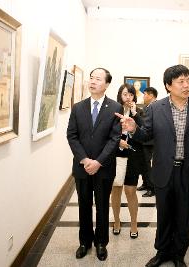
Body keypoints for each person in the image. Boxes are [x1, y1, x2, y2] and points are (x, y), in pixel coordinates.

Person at [116, 64, 189, 267]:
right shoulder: (155, 108)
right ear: (169, 85)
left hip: (188, 171)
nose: (186, 85)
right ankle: (161, 251)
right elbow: (146, 136)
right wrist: (134, 129)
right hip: (163, 170)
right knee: (164, 213)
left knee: (183, 214)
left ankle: (179, 254)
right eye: (181, 81)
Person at [67, 67, 122, 261]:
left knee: (101, 206)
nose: (92, 82)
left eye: (98, 79)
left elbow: (115, 139)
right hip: (81, 167)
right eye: (91, 78)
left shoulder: (115, 108)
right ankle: (84, 242)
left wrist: (98, 162)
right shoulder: (78, 107)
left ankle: (101, 243)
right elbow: (72, 136)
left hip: (104, 168)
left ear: (106, 84)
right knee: (83, 205)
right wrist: (84, 159)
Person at [111, 83, 144, 239]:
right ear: (120, 95)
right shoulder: (113, 112)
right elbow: (106, 133)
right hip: (116, 155)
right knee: (116, 188)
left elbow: (145, 134)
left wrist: (135, 114)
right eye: (125, 94)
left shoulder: (140, 112)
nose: (128, 97)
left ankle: (134, 223)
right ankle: (116, 221)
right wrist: (118, 141)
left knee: (130, 191)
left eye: (131, 94)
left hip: (133, 156)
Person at [138, 87, 158, 197]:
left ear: (151, 95)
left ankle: (152, 188)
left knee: (148, 165)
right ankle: (146, 183)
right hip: (144, 140)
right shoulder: (148, 106)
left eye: (145, 94)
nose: (143, 96)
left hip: (151, 142)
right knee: (144, 164)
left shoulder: (156, 106)